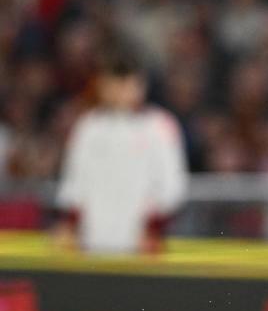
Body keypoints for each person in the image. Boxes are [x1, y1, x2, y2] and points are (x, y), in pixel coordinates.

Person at [54, 47, 188, 254]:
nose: (118, 90)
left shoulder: (159, 126)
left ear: (140, 84)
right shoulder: (89, 127)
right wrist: (70, 225)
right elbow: (75, 184)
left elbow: (172, 188)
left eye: (125, 83)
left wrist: (153, 227)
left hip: (142, 247)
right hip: (92, 244)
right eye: (112, 83)